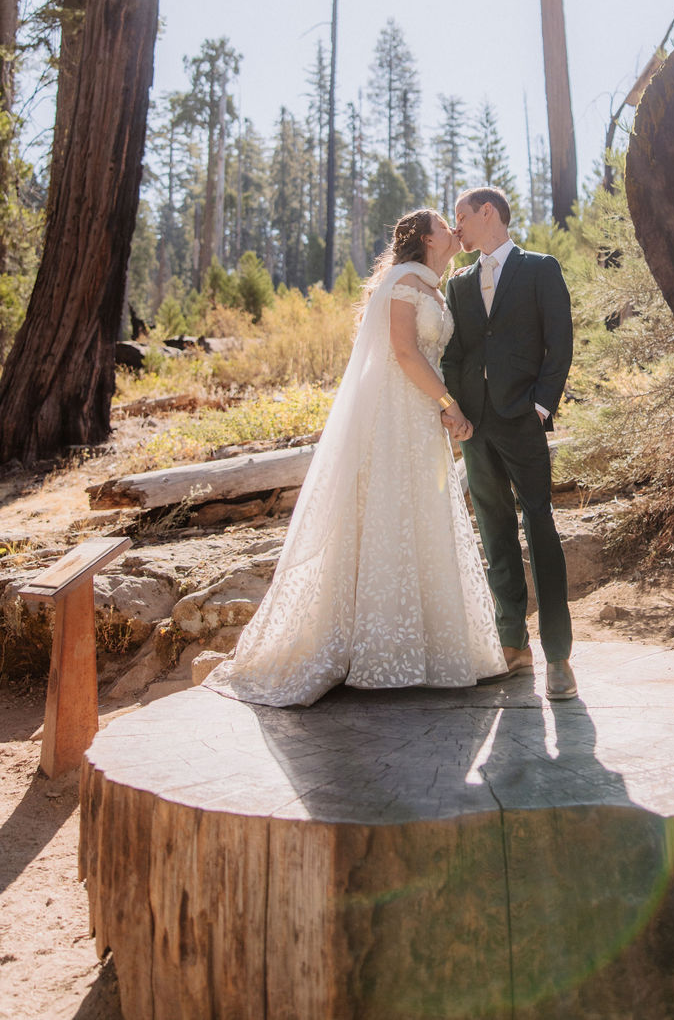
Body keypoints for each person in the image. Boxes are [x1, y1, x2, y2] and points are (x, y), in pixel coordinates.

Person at [206, 209, 505, 707]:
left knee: (419, 516)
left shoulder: (433, 284)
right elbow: (406, 354)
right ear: (425, 239)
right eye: (444, 224)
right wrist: (449, 404)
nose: (454, 230)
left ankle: (426, 647)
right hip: (393, 416)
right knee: (388, 513)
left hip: (418, 416)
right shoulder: (404, 281)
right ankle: (377, 648)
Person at [442, 186, 577, 700]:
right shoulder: (458, 285)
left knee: (539, 525)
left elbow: (558, 343)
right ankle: (512, 645)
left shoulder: (541, 269)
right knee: (495, 534)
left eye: (461, 217)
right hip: (475, 426)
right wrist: (454, 409)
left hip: (523, 419)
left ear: (487, 213)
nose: (456, 228)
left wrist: (541, 407)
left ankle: (559, 657)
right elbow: (455, 355)